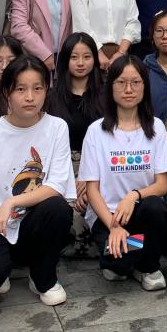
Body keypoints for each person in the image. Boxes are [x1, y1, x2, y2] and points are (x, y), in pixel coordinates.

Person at [0, 55, 74, 307]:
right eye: (21, 89)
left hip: (32, 221)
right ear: (7, 92)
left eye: (37, 88)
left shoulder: (57, 127)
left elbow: (56, 186)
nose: (30, 97)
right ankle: (1, 268)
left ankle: (43, 278)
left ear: (46, 90)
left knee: (58, 208)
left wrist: (10, 202)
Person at [79, 55, 167, 291]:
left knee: (155, 206)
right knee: (117, 266)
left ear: (145, 87)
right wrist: (114, 226)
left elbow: (162, 185)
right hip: (107, 216)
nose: (128, 89)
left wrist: (134, 195)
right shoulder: (96, 131)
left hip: (142, 213)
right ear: (110, 87)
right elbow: (92, 190)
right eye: (121, 82)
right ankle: (136, 252)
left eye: (135, 83)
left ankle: (148, 267)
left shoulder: (157, 127)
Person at [47, 33, 105, 258]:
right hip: (62, 169)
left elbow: (111, 143)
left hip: (101, 167)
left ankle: (121, 250)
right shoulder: (51, 98)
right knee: (64, 212)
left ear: (95, 60)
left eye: (87, 57)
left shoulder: (107, 95)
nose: (81, 63)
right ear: (64, 61)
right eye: (74, 57)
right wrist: (72, 181)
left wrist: (87, 180)